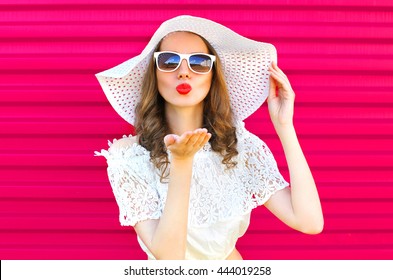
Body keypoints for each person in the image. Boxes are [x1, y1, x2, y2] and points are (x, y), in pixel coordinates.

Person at [95, 15, 323, 260]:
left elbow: (309, 222)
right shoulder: (129, 157)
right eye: (169, 61)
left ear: (213, 76)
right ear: (154, 73)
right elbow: (170, 259)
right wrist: (182, 163)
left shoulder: (238, 147)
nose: (184, 73)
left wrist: (284, 126)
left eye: (199, 62)